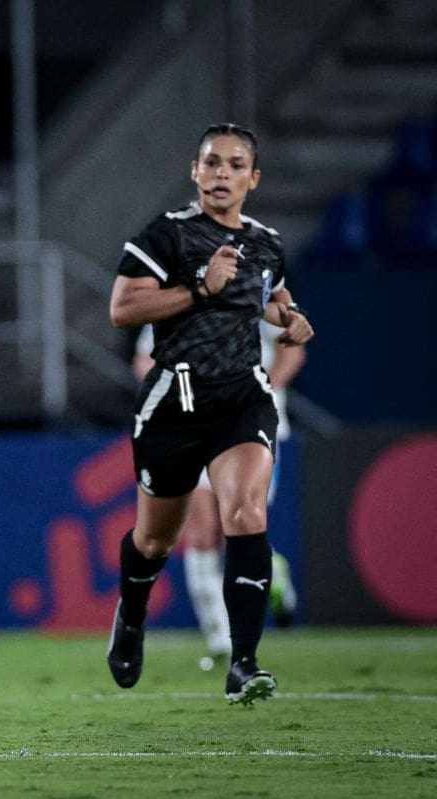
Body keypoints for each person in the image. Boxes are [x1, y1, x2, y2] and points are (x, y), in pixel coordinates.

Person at [107, 123, 314, 705]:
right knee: (153, 541)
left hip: (241, 398)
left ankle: (243, 663)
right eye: (211, 162)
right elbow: (123, 309)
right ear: (195, 172)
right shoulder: (167, 235)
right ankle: (132, 614)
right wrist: (199, 288)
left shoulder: (266, 242)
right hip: (174, 402)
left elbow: (274, 299)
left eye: (234, 164)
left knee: (245, 512)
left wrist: (290, 321)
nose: (221, 173)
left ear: (253, 177)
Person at [132, 323, 304, 669]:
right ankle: (221, 639)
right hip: (191, 425)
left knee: (236, 528)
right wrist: (169, 394)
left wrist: (262, 389)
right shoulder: (177, 296)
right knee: (198, 531)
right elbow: (143, 360)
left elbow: (293, 348)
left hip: (249, 427)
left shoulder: (255, 288)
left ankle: (274, 573)